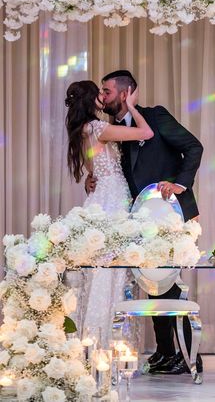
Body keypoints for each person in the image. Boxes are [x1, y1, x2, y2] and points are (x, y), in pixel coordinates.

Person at [85, 70, 204, 375]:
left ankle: (191, 357)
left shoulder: (155, 116)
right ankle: (166, 353)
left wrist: (180, 184)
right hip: (138, 218)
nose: (103, 96)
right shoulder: (112, 129)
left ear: (125, 94)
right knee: (153, 285)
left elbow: (194, 147)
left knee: (172, 287)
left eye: (108, 91)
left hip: (170, 212)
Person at [65, 80, 154, 346]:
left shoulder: (82, 129)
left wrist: (89, 178)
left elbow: (94, 168)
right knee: (111, 267)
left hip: (99, 195)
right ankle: (106, 340)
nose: (103, 97)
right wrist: (131, 107)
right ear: (91, 100)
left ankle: (90, 339)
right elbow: (146, 133)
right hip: (113, 196)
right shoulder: (99, 127)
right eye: (99, 93)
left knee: (98, 266)